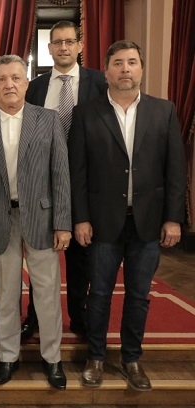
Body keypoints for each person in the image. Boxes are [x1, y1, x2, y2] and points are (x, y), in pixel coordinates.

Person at [69, 40, 186, 392]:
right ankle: (95, 357)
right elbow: (78, 172)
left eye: (132, 62)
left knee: (138, 295)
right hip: (102, 222)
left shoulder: (163, 111)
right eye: (118, 63)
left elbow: (175, 170)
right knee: (99, 293)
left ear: (141, 69)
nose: (125, 69)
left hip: (148, 222)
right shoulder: (85, 113)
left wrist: (173, 218)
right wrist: (80, 218)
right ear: (106, 71)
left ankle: (131, 358)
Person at [0, 55, 71, 390]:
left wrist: (63, 222)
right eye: (2, 79)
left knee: (47, 293)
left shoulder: (48, 119)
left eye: (15, 78)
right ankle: (8, 357)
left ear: (26, 83)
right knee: (6, 293)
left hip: (42, 218)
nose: (9, 84)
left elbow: (60, 174)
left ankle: (52, 358)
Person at [21, 20, 108, 341]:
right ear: (49, 48)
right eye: (57, 42)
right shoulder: (36, 87)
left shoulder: (100, 82)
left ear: (80, 46)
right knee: (40, 256)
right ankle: (34, 316)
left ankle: (79, 317)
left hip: (86, 184)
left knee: (81, 257)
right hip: (43, 185)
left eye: (69, 41)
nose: (63, 47)